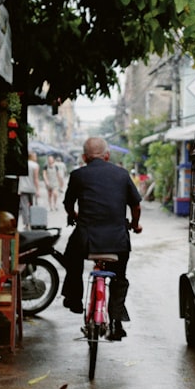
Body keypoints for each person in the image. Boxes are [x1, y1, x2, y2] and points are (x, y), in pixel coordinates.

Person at [62, 137, 142, 340]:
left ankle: (74, 300)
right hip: (117, 241)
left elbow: (68, 204)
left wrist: (75, 217)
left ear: (84, 157)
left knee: (71, 257)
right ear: (107, 156)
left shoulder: (78, 175)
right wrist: (135, 224)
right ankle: (116, 322)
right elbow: (136, 206)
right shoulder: (122, 175)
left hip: (85, 240)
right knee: (120, 277)